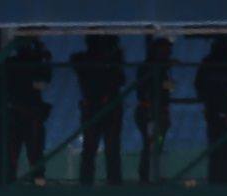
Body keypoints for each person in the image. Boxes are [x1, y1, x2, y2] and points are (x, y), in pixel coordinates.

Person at [71, 34, 126, 185]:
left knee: (111, 147)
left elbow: (121, 79)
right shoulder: (83, 60)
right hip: (93, 107)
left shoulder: (112, 62)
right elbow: (77, 63)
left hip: (109, 108)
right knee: (91, 147)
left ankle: (112, 180)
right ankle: (89, 180)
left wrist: (113, 61)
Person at [5, 35, 54, 181]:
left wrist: (43, 59)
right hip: (22, 113)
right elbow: (46, 78)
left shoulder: (23, 63)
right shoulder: (15, 63)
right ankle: (17, 179)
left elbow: (46, 78)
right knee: (17, 152)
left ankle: (34, 180)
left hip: (28, 113)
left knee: (32, 151)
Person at [195, 36, 227, 182]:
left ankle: (216, 177)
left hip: (216, 108)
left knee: (216, 143)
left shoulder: (209, 62)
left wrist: (206, 100)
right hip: (226, 109)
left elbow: (198, 85)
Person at [133, 36, 174, 183]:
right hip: (148, 112)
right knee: (150, 143)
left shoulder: (165, 71)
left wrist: (165, 112)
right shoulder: (148, 67)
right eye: (164, 51)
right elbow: (144, 91)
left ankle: (154, 174)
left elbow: (167, 90)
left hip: (160, 113)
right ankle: (146, 176)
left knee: (158, 142)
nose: (167, 54)